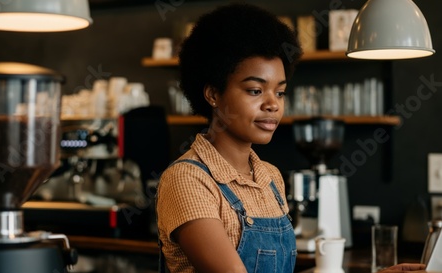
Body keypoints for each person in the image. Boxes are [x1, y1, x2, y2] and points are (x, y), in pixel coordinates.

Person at [156, 3, 428, 273]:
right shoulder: (188, 180)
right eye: (255, 90)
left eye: (280, 92)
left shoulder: (269, 177)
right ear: (213, 94)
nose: (273, 104)